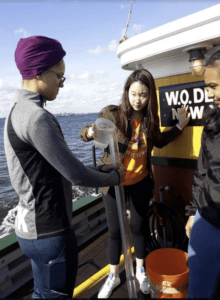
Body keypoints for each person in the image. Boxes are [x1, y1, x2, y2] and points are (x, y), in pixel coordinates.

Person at [4, 36, 124, 299]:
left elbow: (57, 166)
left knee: (42, 293)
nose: (62, 84)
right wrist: (114, 178)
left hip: (29, 232)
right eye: (60, 76)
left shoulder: (15, 113)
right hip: (51, 231)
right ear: (39, 72)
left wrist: (99, 172)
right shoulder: (38, 118)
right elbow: (75, 174)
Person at [79, 68, 190, 298]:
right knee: (115, 232)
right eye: (133, 93)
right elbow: (87, 133)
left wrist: (179, 126)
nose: (137, 99)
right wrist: (90, 132)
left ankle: (141, 270)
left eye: (143, 94)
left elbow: (159, 142)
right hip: (113, 183)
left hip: (139, 181)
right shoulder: (113, 114)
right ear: (126, 91)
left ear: (150, 96)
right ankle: (112, 276)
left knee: (139, 228)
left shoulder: (150, 119)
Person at [185, 49, 220, 298]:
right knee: (197, 288)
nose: (209, 93)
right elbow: (202, 171)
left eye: (214, 86)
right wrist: (191, 214)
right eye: (206, 87)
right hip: (207, 216)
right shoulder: (211, 120)